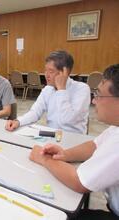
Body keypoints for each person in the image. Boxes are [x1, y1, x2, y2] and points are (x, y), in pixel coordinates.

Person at [29, 64, 119, 220]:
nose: (94, 100)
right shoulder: (115, 128)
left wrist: (44, 159)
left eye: (99, 95)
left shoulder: (80, 89)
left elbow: (79, 182)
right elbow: (95, 145)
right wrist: (65, 154)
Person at [6, 50, 90, 134]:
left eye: (51, 71)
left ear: (65, 72)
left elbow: (67, 120)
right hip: (52, 136)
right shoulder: (48, 89)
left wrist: (61, 89)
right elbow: (35, 112)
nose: (46, 75)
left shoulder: (82, 89)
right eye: (45, 70)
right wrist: (18, 121)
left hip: (74, 138)